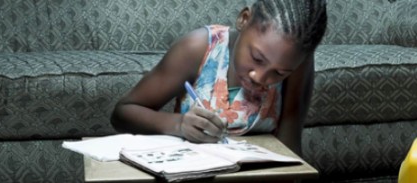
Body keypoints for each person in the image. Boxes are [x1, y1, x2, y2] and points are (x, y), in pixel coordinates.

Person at [111, 0, 327, 155]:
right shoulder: (198, 49)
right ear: (244, 19)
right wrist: (179, 125)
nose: (260, 77)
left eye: (279, 73)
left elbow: (290, 145)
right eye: (257, 58)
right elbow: (122, 114)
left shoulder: (297, 63)